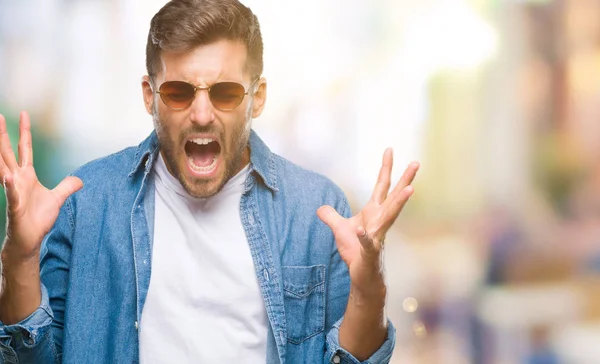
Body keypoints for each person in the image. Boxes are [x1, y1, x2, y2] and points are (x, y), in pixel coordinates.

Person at [0, 0, 419, 363]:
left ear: (257, 97)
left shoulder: (317, 209)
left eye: (225, 93)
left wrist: (369, 290)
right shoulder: (86, 202)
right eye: (180, 92)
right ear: (150, 95)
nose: (202, 114)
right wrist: (19, 260)